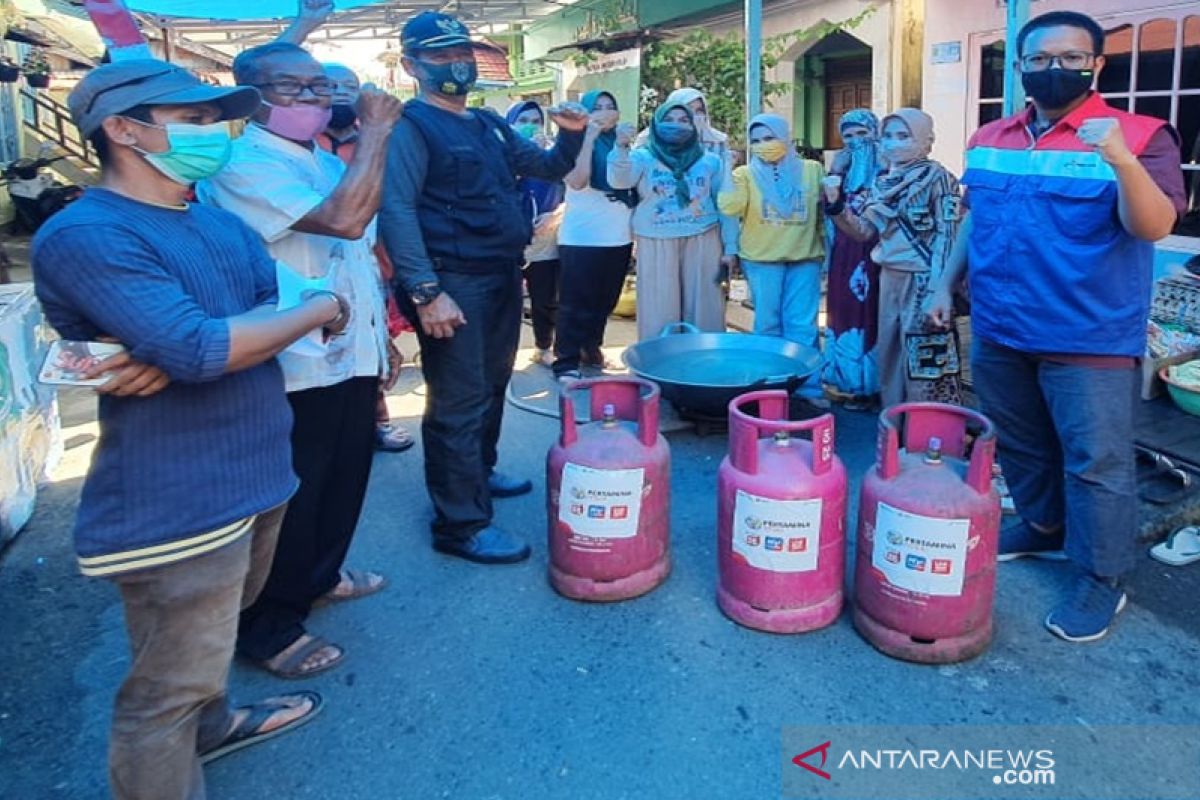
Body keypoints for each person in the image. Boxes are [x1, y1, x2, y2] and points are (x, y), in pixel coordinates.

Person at [31, 59, 343, 800]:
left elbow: (266, 307)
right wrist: (315, 311)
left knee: (205, 646)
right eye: (194, 120)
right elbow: (208, 346)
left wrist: (203, 344)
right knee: (163, 692)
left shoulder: (214, 222)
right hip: (176, 503)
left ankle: (214, 725)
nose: (215, 133)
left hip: (259, 473)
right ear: (123, 129)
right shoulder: (87, 233)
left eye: (215, 118)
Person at [927, 11, 1187, 642]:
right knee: (1020, 445)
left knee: (1096, 463)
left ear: (1097, 65)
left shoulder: (1141, 134)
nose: (1055, 69)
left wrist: (1121, 160)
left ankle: (1102, 577)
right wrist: (942, 281)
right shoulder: (991, 135)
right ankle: (1043, 528)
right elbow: (972, 218)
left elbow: (1154, 227)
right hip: (999, 327)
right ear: (1020, 68)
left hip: (1087, 336)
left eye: (1072, 58)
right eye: (1040, 59)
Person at [197, 41, 402, 678]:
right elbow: (343, 222)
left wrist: (380, 337)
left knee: (347, 477)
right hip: (294, 363)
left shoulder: (317, 157)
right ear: (254, 98)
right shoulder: (243, 165)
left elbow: (357, 256)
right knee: (296, 495)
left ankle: (319, 576)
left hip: (347, 352)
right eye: (296, 88)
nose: (317, 97)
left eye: (321, 85)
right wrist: (375, 131)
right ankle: (268, 626)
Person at [378, 11, 587, 564]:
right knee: (458, 400)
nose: (457, 64)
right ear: (411, 65)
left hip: (498, 275)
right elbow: (395, 209)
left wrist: (571, 137)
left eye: (462, 54)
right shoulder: (411, 126)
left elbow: (544, 168)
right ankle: (460, 525)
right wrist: (425, 291)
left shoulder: (488, 124)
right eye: (442, 56)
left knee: (492, 385)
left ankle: (480, 471)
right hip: (451, 282)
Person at [825, 107, 962, 408]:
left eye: (903, 136)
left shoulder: (940, 179)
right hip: (889, 276)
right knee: (889, 355)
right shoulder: (884, 181)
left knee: (926, 359)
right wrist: (836, 207)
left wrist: (939, 289)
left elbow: (948, 237)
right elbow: (863, 230)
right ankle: (894, 426)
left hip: (924, 277)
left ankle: (929, 435)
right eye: (888, 136)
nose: (893, 143)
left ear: (926, 140)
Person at [316, 62, 415, 452]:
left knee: (377, 337)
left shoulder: (378, 139)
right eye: (331, 84)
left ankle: (377, 419)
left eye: (349, 85)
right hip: (322, 259)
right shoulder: (309, 145)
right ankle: (349, 425)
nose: (340, 91)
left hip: (373, 254)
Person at [609, 100, 738, 341]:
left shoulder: (711, 161)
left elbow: (726, 205)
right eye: (668, 120)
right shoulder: (641, 157)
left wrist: (731, 247)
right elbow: (620, 181)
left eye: (683, 120)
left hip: (703, 236)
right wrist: (620, 147)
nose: (676, 126)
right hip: (656, 239)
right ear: (656, 125)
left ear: (694, 125)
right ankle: (660, 365)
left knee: (705, 305)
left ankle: (705, 364)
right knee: (658, 308)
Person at [718, 113, 825, 348]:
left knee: (803, 325)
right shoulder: (743, 174)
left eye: (769, 137)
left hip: (805, 258)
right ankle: (773, 381)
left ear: (785, 138)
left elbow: (822, 212)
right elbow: (729, 206)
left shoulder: (812, 170)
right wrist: (727, 166)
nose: (762, 145)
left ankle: (807, 384)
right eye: (755, 141)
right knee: (767, 325)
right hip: (761, 260)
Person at [552, 89, 635, 381]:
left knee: (605, 300)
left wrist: (624, 145)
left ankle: (591, 348)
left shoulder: (620, 143)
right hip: (582, 236)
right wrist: (588, 136)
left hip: (618, 234)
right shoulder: (570, 143)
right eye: (596, 107)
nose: (604, 111)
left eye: (609, 106)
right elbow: (577, 181)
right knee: (575, 301)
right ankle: (566, 360)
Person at [822, 109, 883, 405]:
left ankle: (873, 385)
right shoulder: (840, 170)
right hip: (843, 253)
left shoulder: (888, 170)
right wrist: (834, 172)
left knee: (872, 314)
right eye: (848, 135)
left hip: (876, 255)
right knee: (843, 311)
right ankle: (845, 380)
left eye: (863, 133)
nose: (856, 141)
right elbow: (827, 210)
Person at [506, 99, 565, 367]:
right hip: (508, 240)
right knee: (506, 301)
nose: (530, 127)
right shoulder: (499, 154)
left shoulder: (553, 154)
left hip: (545, 237)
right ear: (510, 124)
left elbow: (573, 193)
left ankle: (543, 347)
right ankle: (503, 353)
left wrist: (555, 216)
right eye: (523, 121)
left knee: (546, 299)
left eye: (536, 121)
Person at [636, 86, 731, 169]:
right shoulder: (647, 139)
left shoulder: (718, 142)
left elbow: (724, 184)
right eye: (688, 108)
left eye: (699, 110)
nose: (694, 115)